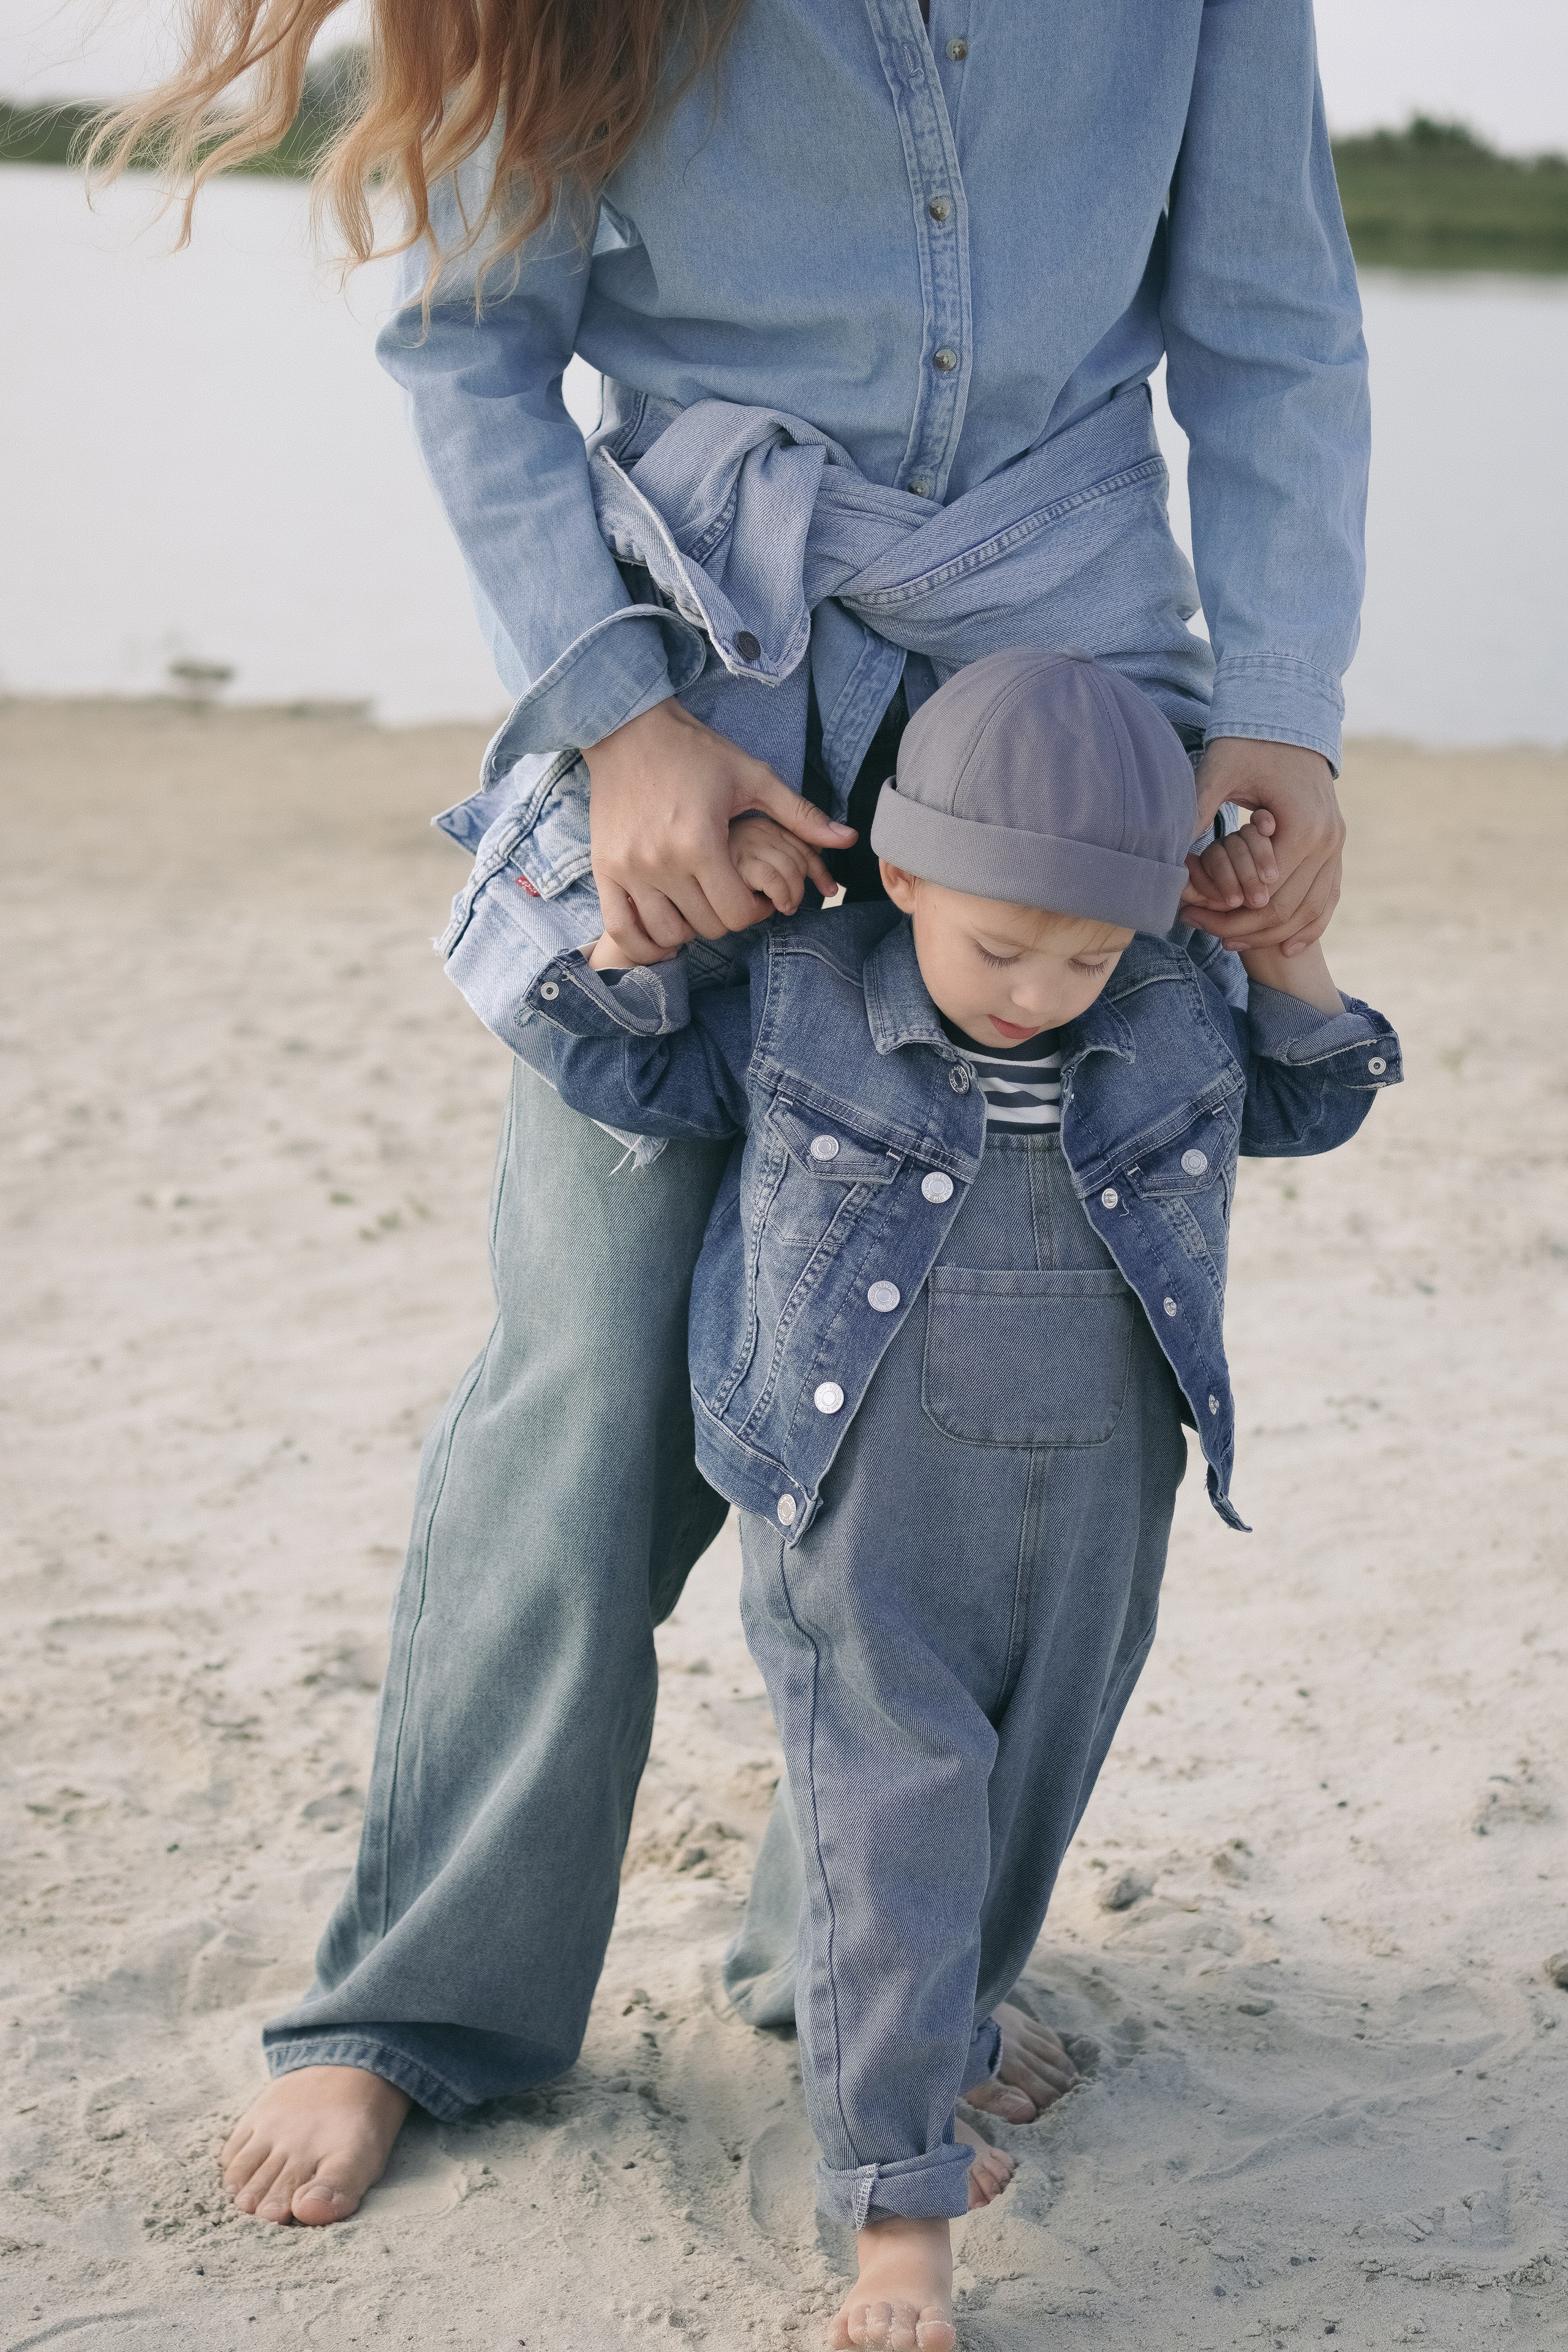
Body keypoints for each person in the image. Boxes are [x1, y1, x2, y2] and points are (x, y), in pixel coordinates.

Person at [98, 0, 1370, 2231]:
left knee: (1016, 1427)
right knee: (581, 1391)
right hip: (703, 712)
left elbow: (1271, 323)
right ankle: (423, 2001)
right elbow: (471, 351)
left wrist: (1284, 707)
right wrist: (616, 722)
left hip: (1081, 747)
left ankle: (880, 1968)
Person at [480, 647, 1401, 2348]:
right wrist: (639, 940)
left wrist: (1286, 960)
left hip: (1103, 1484)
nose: (1041, 990)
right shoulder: (810, 991)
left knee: (1022, 1800)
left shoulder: (1170, 1007)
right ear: (902, 873)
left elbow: (1313, 1098)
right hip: (863, 1490)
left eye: (1087, 953)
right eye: (998, 945)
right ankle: (896, 2204)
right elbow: (622, 1074)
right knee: (893, 1814)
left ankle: (952, 2022)